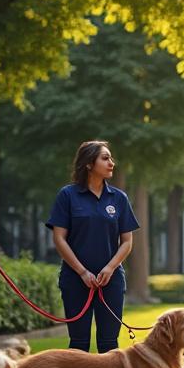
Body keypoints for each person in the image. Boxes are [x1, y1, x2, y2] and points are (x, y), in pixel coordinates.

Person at [46, 141, 139, 353]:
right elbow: (59, 238)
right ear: (89, 164)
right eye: (105, 158)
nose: (111, 163)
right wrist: (82, 272)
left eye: (111, 158)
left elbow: (127, 242)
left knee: (109, 344)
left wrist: (110, 268)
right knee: (78, 343)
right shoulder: (67, 196)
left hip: (111, 280)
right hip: (75, 280)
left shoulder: (119, 198)